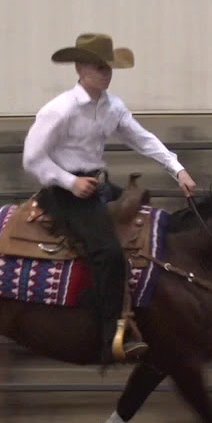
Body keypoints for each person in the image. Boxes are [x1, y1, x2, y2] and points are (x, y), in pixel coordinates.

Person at [22, 32, 198, 366]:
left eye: (109, 68)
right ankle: (110, 337)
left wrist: (178, 170)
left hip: (96, 185)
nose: (107, 74)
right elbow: (32, 158)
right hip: (64, 192)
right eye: (100, 67)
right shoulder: (59, 109)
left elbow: (142, 138)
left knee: (151, 220)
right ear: (81, 68)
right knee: (108, 253)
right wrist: (70, 182)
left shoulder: (112, 106)